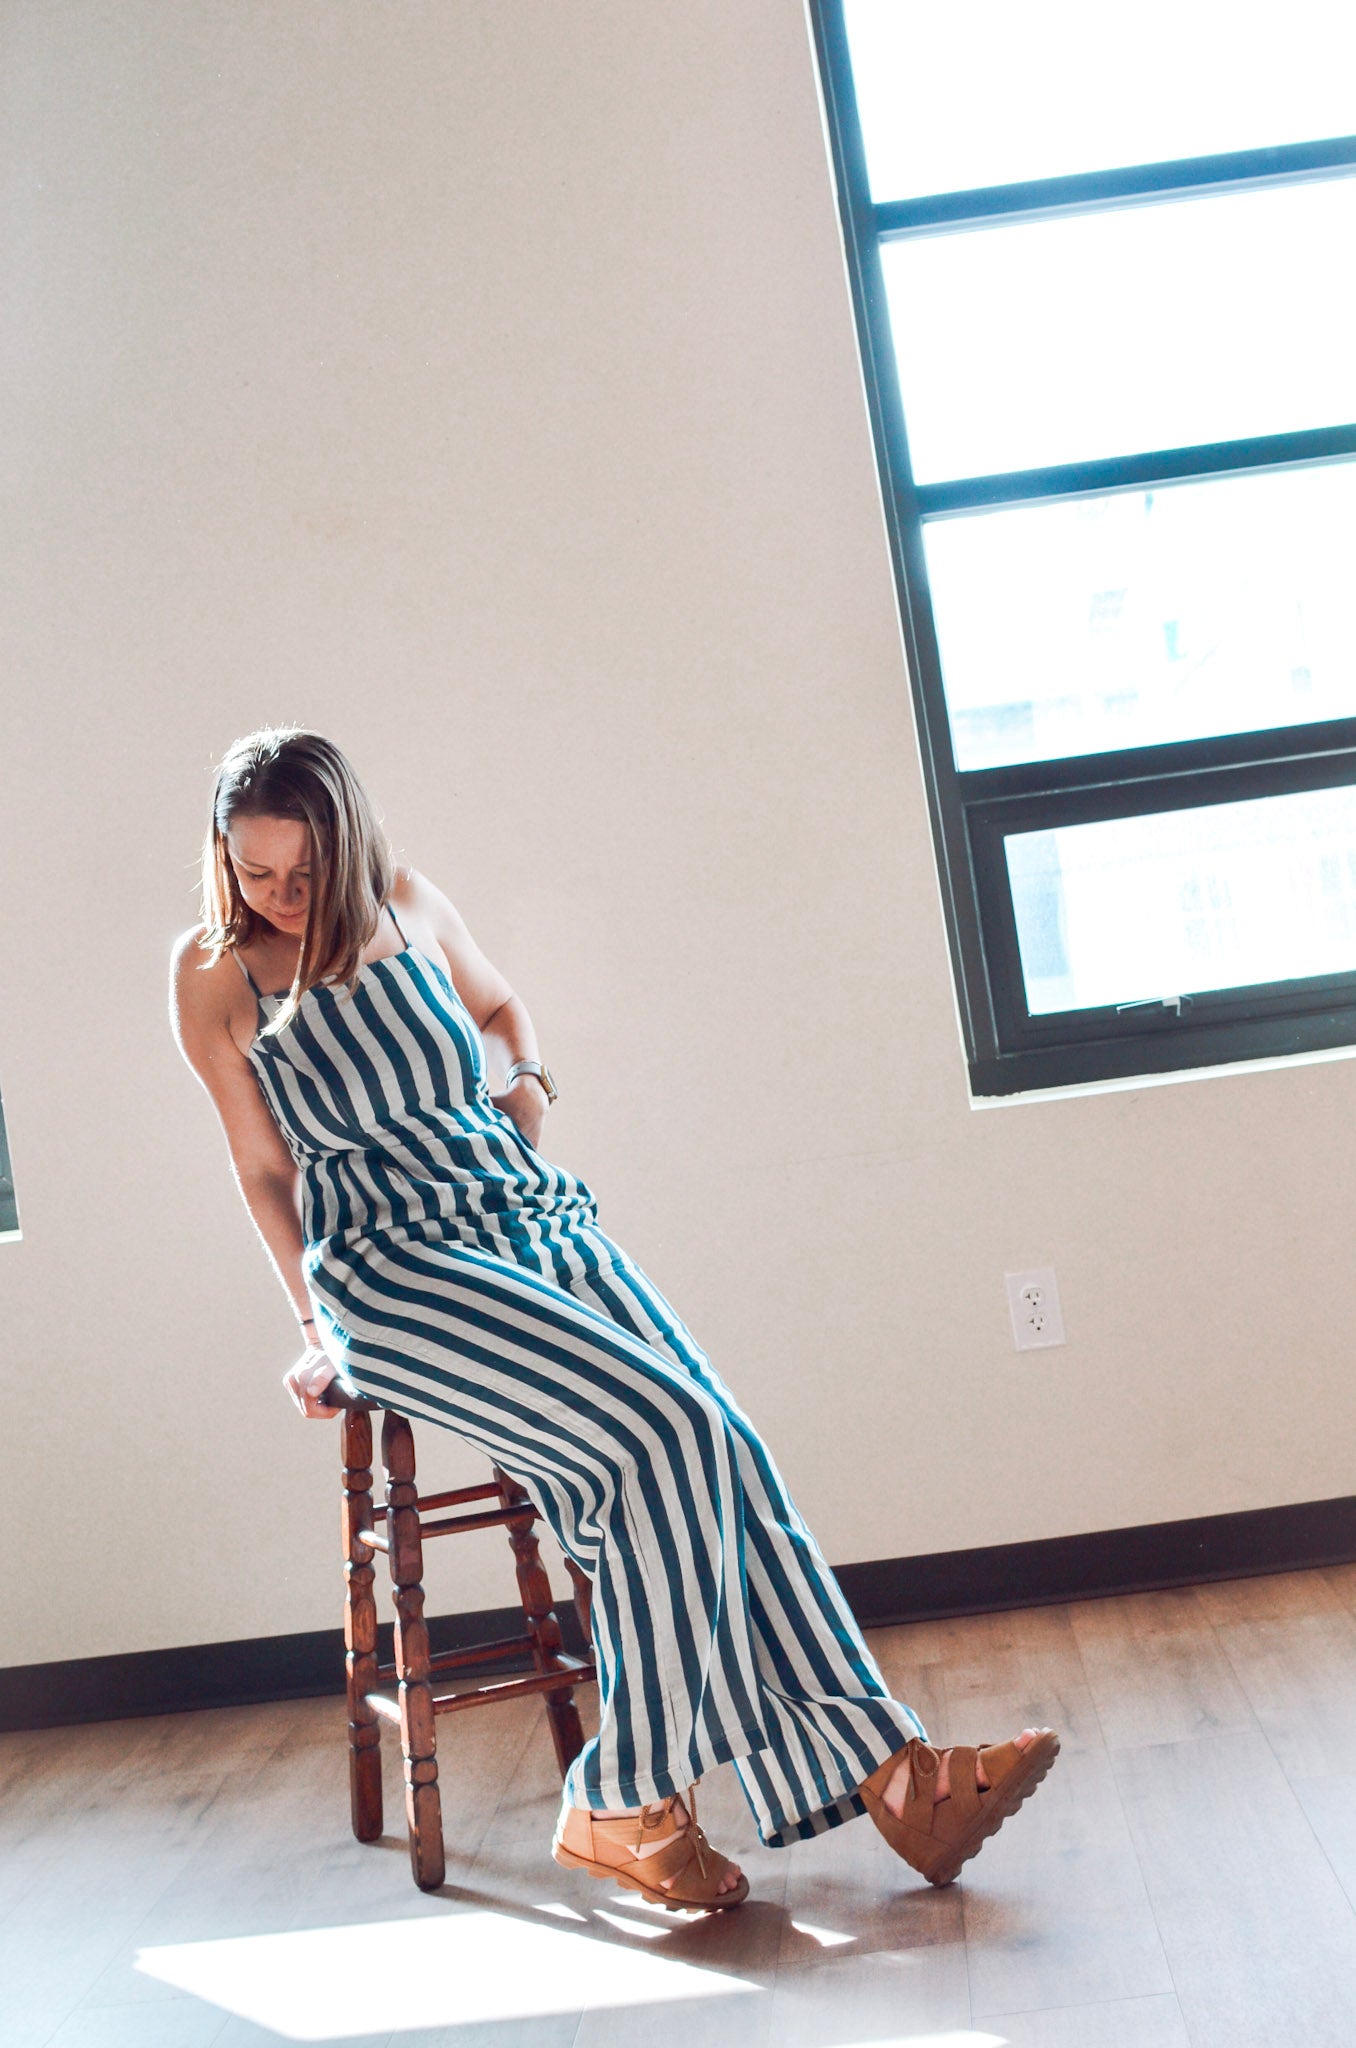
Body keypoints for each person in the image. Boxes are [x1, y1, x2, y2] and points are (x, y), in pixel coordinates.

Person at [169, 726, 1059, 1910]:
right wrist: (317, 1323)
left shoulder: (406, 900)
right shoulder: (213, 974)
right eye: (249, 869)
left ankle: (899, 1783)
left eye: (297, 872)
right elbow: (262, 1171)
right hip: (394, 1263)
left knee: (719, 1443)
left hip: (530, 1213)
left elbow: (497, 1008)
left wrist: (528, 1083)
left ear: (347, 847)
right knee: (670, 1432)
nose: (273, 896)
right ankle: (623, 1796)